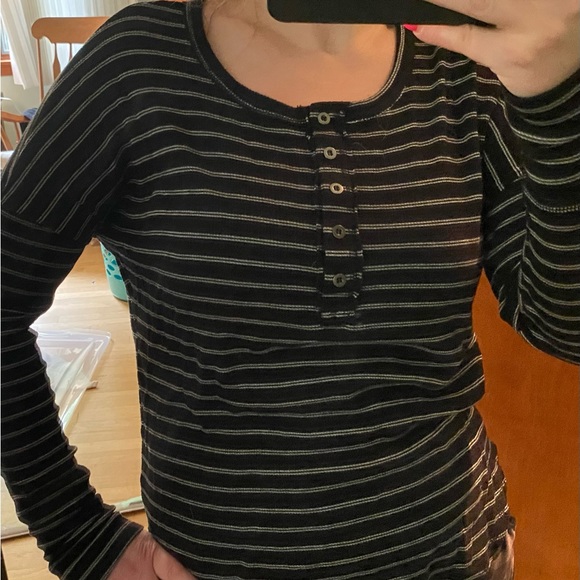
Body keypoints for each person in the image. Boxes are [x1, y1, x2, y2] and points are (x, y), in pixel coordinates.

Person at [1, 0, 578, 578]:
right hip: (213, 565)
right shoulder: (136, 65)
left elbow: (561, 326)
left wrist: (556, 99)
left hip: (458, 553)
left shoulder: (468, 64)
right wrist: (81, 537)